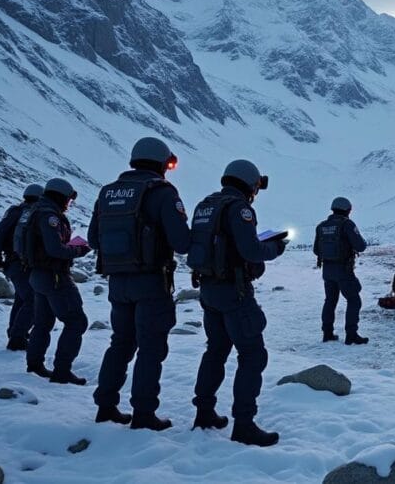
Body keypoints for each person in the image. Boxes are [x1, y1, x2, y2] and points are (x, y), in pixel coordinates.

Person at [90, 137, 191, 431]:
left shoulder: (107, 192)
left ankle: (106, 406)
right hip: (151, 283)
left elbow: (94, 239)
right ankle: (144, 413)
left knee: (120, 343)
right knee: (150, 348)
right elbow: (182, 242)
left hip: (117, 282)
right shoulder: (162, 193)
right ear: (161, 163)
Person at [189, 160, 286, 446]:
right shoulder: (239, 208)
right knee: (253, 355)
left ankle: (204, 413)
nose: (256, 192)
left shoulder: (206, 205)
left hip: (209, 290)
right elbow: (251, 250)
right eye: (256, 187)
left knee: (215, 351)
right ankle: (244, 424)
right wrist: (275, 247)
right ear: (249, 183)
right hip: (234, 292)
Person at [23, 178, 91, 385]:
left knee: (43, 322)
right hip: (54, 276)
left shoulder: (36, 211)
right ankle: (62, 370)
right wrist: (79, 249)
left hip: (37, 275)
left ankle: (34, 363)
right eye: (68, 200)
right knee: (76, 322)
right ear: (61, 197)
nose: (69, 204)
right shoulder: (50, 216)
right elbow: (55, 249)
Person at [0, 183, 43, 351]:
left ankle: (15, 333)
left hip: (12, 263)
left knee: (21, 298)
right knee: (33, 300)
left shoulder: (16, 212)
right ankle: (17, 338)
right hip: (23, 264)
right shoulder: (33, 214)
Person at [313, 197, 368, 344]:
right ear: (347, 210)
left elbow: (316, 250)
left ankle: (327, 333)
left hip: (327, 271)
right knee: (354, 300)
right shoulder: (347, 224)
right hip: (344, 270)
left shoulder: (321, 226)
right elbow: (361, 246)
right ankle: (351, 334)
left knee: (330, 301)